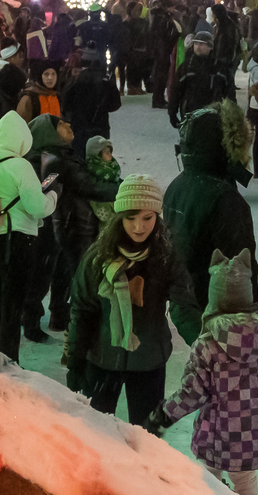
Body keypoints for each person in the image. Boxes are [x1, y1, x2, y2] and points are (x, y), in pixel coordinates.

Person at [146, 249, 258, 495]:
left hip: (219, 435)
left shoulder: (209, 344)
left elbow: (193, 392)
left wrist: (164, 415)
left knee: (209, 480)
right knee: (245, 479)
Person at [64, 176, 200, 424]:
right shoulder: (98, 256)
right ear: (119, 217)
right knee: (97, 434)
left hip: (149, 360)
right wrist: (75, 360)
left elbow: (183, 307)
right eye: (131, 217)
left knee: (147, 438)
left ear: (157, 218)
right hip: (102, 358)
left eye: (147, 218)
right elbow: (83, 309)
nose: (139, 227)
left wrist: (204, 347)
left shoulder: (166, 256)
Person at [0, 109, 58, 363]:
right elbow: (37, 207)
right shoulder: (20, 166)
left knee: (3, 301)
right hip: (16, 242)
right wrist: (53, 196)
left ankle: (3, 353)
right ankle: (9, 360)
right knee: (12, 305)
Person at [165, 101, 258, 317]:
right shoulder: (224, 198)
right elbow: (239, 265)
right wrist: (252, 310)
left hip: (187, 300)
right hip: (218, 308)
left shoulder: (177, 186)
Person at [29, 113, 115, 341]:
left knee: (60, 271)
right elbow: (83, 185)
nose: (68, 125)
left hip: (62, 224)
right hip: (57, 225)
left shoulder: (59, 156)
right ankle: (32, 322)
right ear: (49, 133)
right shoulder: (54, 160)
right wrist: (124, 191)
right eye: (61, 125)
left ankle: (55, 315)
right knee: (47, 272)